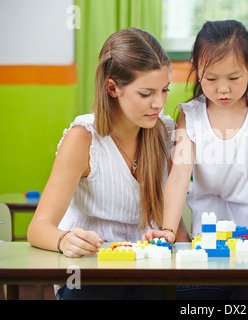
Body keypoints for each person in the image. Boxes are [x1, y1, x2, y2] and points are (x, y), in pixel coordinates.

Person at [27, 28, 186, 300]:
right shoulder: (83, 139)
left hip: (147, 272)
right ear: (112, 88)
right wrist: (64, 239)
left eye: (164, 90)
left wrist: (180, 249)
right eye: (146, 93)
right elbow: (38, 227)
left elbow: (176, 222)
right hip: (90, 274)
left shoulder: (166, 133)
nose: (159, 103)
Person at [146, 20, 248, 299]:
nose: (223, 89)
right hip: (208, 239)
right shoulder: (189, 115)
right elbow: (179, 178)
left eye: (233, 78)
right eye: (211, 79)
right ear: (196, 68)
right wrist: (168, 229)